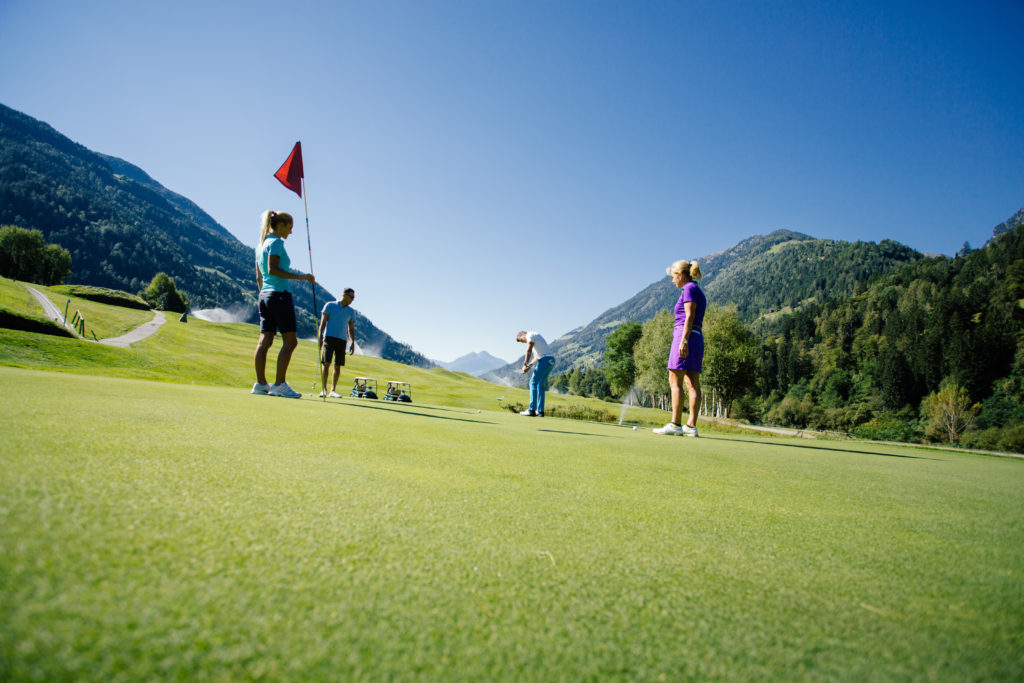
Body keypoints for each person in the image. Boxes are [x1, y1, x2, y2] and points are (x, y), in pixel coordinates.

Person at [252, 210, 315, 398]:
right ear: (280, 225)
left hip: (264, 295)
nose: (291, 232)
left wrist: (264, 293)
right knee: (291, 341)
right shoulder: (277, 242)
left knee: (265, 340)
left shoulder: (260, 245)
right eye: (290, 227)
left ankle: (261, 384)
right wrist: (301, 277)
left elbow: (259, 276)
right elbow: (273, 269)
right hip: (279, 295)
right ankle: (279, 384)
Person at [654, 260, 706, 436]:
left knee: (675, 380)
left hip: (686, 335)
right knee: (692, 382)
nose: (673, 281)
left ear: (681, 275)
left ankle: (675, 424)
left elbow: (689, 316)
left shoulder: (689, 289)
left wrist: (683, 340)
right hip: (696, 337)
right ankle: (691, 427)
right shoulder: (697, 289)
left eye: (674, 277)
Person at [317, 288, 356, 398]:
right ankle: (323, 389)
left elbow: (351, 329)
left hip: (342, 340)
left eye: (353, 298)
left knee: (337, 366)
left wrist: (352, 342)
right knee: (326, 363)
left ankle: (332, 390)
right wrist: (320, 337)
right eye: (351, 297)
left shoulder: (351, 311)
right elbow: (323, 323)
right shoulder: (330, 305)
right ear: (344, 295)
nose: (352, 300)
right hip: (329, 338)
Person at [516, 330, 556, 417]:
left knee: (532, 382)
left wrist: (525, 364)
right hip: (551, 360)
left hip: (544, 360)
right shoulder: (535, 340)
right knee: (540, 384)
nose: (524, 342)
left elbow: (528, 350)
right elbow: (536, 357)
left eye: (521, 340)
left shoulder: (530, 334)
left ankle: (531, 410)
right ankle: (540, 411)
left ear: (523, 335)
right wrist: (529, 366)